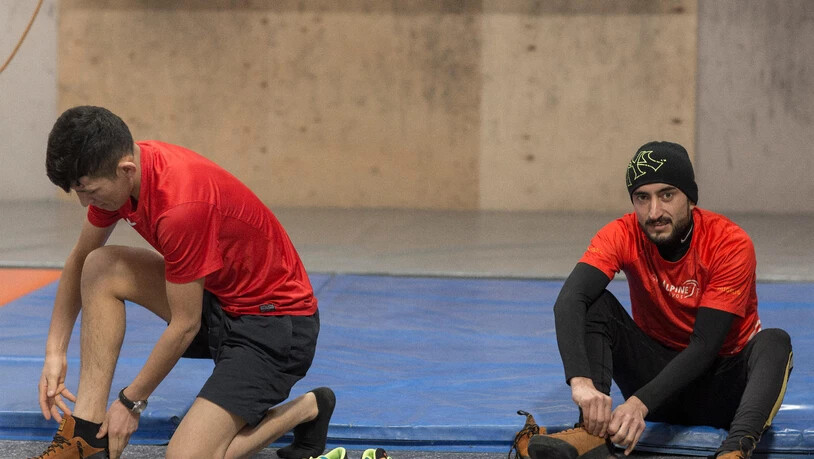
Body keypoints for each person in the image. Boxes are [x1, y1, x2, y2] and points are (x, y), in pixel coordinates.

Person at [35, 105, 335, 459]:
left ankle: (307, 408)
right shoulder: (119, 171)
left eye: (89, 191)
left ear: (126, 170)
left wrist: (130, 402)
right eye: (77, 191)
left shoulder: (180, 206)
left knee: (186, 456)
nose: (85, 203)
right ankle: (87, 437)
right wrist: (54, 352)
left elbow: (185, 325)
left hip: (275, 326)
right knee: (100, 266)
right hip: (220, 303)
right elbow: (80, 258)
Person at [529, 141, 793, 459]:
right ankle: (591, 434)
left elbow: (705, 347)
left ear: (690, 198)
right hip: (657, 386)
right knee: (596, 305)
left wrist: (639, 404)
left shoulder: (729, 243)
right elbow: (570, 299)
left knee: (775, 342)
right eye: (643, 198)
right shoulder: (622, 233)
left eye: (667, 195)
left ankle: (734, 450)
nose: (654, 212)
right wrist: (581, 382)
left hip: (723, 393)